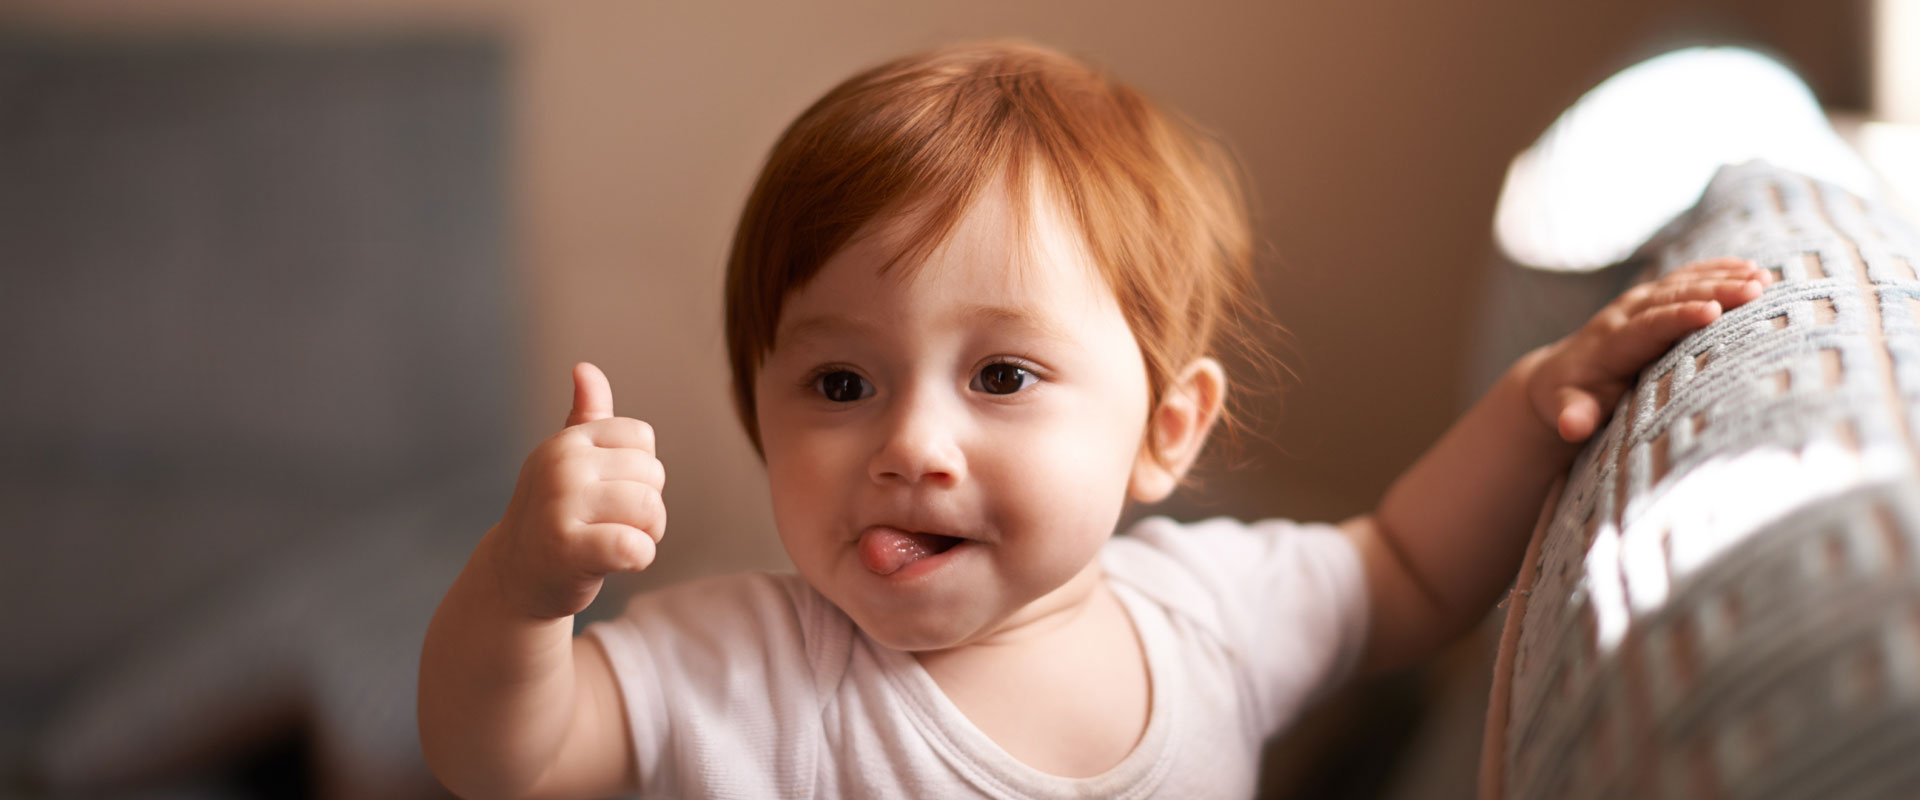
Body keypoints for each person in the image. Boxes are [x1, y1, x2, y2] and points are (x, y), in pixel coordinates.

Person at [417, 39, 1771, 798]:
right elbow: (503, 753)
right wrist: (525, 592)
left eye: (1001, 377)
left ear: (1164, 433)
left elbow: (1408, 570)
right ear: (757, 420)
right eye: (841, 385)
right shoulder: (740, 664)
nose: (910, 445)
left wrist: (1540, 406)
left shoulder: (1209, 615)